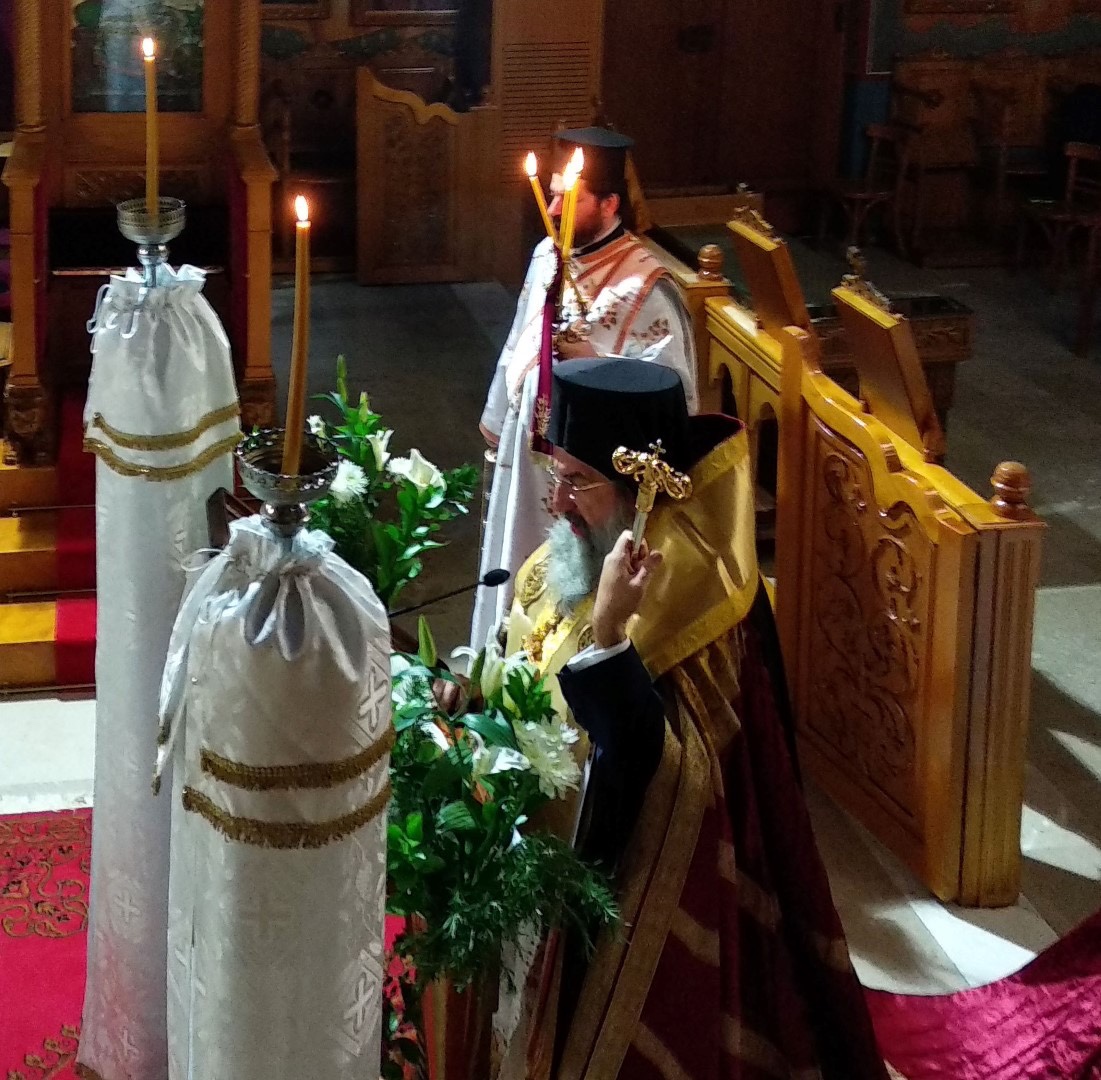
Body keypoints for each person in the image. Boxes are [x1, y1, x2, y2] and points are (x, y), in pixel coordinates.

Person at [496, 357, 888, 1079]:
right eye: (555, 472)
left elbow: (672, 776)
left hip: (631, 896)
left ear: (641, 493)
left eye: (577, 481)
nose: (556, 501)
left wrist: (610, 638)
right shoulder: (575, 551)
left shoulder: (694, 598)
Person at [471, 126, 698, 653]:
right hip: (529, 458)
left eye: (568, 198)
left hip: (588, 482)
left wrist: (594, 361)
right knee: (515, 569)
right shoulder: (547, 256)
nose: (552, 209)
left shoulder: (647, 286)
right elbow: (518, 339)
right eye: (552, 194)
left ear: (610, 203)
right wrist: (499, 419)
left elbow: (671, 395)